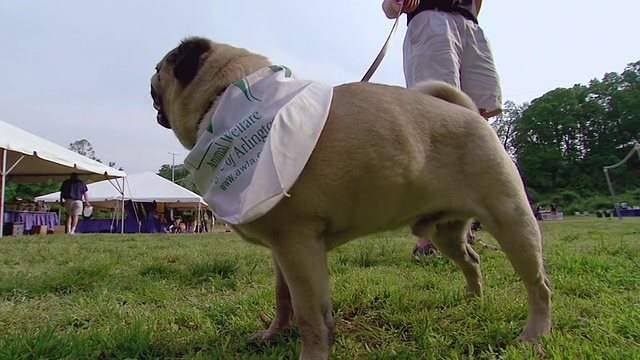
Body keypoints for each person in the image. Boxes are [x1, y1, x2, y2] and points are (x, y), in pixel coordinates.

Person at [382, 0, 503, 255]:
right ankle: (430, 237)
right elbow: (389, 7)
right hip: (431, 21)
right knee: (436, 123)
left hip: (470, 25)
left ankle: (463, 234)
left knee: (477, 125)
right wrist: (398, 5)